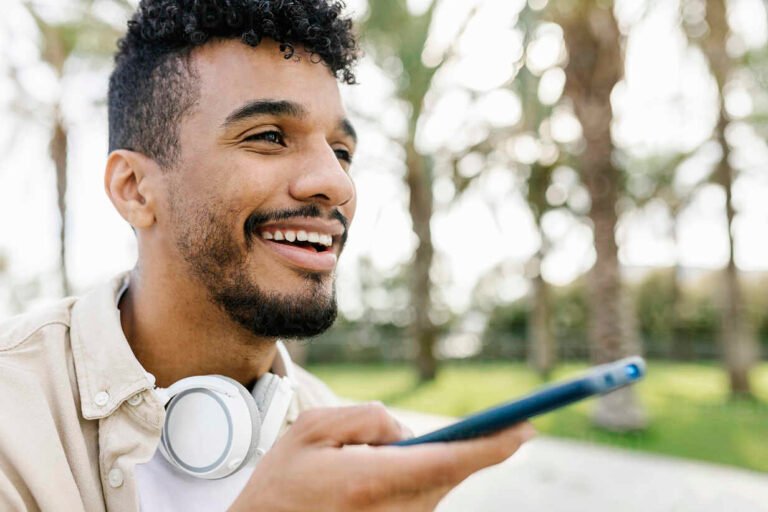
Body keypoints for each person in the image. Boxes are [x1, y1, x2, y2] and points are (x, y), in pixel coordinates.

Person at [0, 1, 535, 511]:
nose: (335, 183)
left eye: (342, 152)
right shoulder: (12, 413)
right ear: (135, 188)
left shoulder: (338, 434)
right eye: (270, 136)